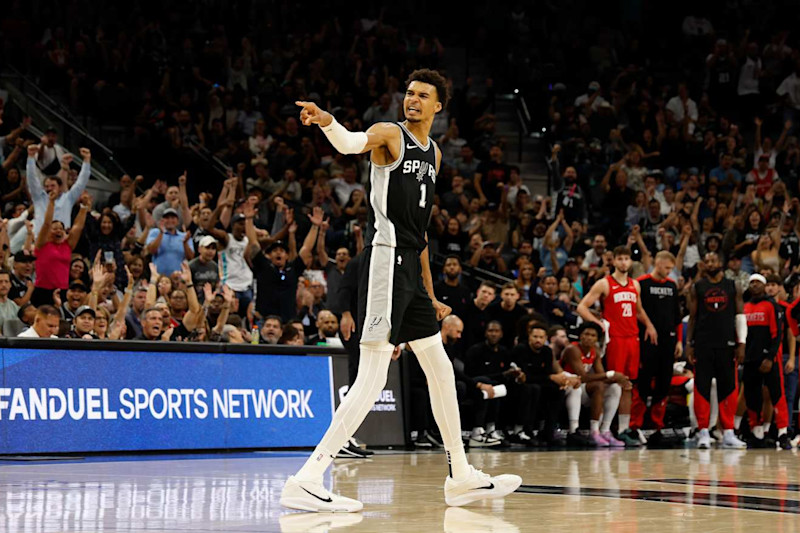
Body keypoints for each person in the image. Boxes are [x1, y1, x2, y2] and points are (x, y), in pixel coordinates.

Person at [283, 69, 521, 513]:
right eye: (409, 93)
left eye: (421, 95)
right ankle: (307, 477)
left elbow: (423, 232)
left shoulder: (434, 154)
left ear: (438, 107)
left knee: (441, 369)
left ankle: (460, 476)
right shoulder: (391, 134)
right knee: (372, 380)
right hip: (385, 261)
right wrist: (326, 121)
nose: (412, 100)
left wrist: (428, 293)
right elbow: (353, 142)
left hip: (410, 267)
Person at [577, 246, 658, 447]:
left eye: (626, 259)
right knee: (613, 381)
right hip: (615, 339)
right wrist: (598, 324)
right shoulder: (604, 283)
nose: (623, 262)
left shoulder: (635, 285)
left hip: (633, 338)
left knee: (628, 384)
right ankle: (605, 428)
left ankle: (623, 429)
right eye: (620, 258)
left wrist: (649, 325)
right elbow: (582, 307)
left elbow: (638, 310)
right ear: (614, 261)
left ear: (631, 262)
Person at [686, 252, 747, 449]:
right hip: (703, 343)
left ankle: (728, 432)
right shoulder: (698, 287)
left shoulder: (733, 285)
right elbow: (693, 317)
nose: (710, 263)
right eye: (707, 261)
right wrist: (689, 343)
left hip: (727, 344)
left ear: (721, 262)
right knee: (701, 387)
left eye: (714, 260)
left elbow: (740, 315)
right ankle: (703, 431)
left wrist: (742, 343)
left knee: (729, 388)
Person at [631, 251, 684, 446]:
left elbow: (677, 316)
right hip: (646, 340)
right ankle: (635, 426)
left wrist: (678, 341)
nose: (669, 272)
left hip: (668, 341)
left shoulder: (671, 286)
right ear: (657, 263)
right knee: (642, 382)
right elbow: (636, 310)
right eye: (667, 268)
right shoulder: (642, 283)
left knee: (663, 384)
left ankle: (657, 426)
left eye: (671, 269)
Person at [511, 323, 581, 446]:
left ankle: (548, 431)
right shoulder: (521, 350)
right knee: (534, 389)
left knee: (557, 389)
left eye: (541, 337)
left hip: (540, 382)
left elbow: (547, 373)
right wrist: (551, 377)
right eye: (535, 336)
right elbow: (525, 376)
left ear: (546, 339)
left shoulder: (547, 351)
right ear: (529, 337)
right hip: (521, 385)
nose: (538, 340)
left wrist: (561, 380)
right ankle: (525, 431)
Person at [561, 323, 629, 447]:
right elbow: (583, 376)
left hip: (581, 390)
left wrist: (619, 379)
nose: (589, 338)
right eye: (586, 334)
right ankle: (594, 431)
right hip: (567, 389)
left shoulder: (595, 351)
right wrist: (611, 374)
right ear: (580, 336)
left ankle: (605, 431)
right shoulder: (572, 349)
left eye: (593, 335)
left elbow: (601, 375)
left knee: (615, 387)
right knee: (598, 386)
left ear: (597, 339)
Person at [742, 274, 788, 448]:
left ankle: (783, 432)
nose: (754, 285)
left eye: (758, 283)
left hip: (769, 359)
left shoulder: (771, 306)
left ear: (763, 286)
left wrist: (770, 358)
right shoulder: (745, 307)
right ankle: (756, 432)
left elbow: (777, 336)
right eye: (751, 283)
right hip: (750, 360)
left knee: (776, 394)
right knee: (751, 396)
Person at [33, 190, 89, 307]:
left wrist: (84, 207)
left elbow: (77, 227)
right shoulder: (42, 244)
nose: (58, 230)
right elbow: (47, 223)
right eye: (55, 228)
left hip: (62, 290)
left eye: (61, 228)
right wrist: (51, 202)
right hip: (43, 290)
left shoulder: (67, 246)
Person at [26, 144, 91, 235]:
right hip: (41, 241)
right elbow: (31, 178)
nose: (49, 189)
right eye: (47, 186)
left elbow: (81, 182)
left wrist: (86, 161)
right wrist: (31, 157)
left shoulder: (68, 198)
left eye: (52, 186)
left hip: (62, 241)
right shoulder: (39, 198)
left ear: (60, 187)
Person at [146, 208, 195, 276]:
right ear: (162, 220)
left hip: (179, 278)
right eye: (167, 218)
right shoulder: (155, 232)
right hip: (159, 277)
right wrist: (161, 233)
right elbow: (151, 250)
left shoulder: (184, 236)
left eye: (173, 218)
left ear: (178, 221)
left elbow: (191, 257)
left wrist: (185, 243)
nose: (170, 220)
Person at [434, 255, 471, 321]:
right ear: (444, 270)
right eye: (448, 265)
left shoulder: (465, 291)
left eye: (455, 264)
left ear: (460, 269)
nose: (452, 267)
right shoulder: (435, 288)